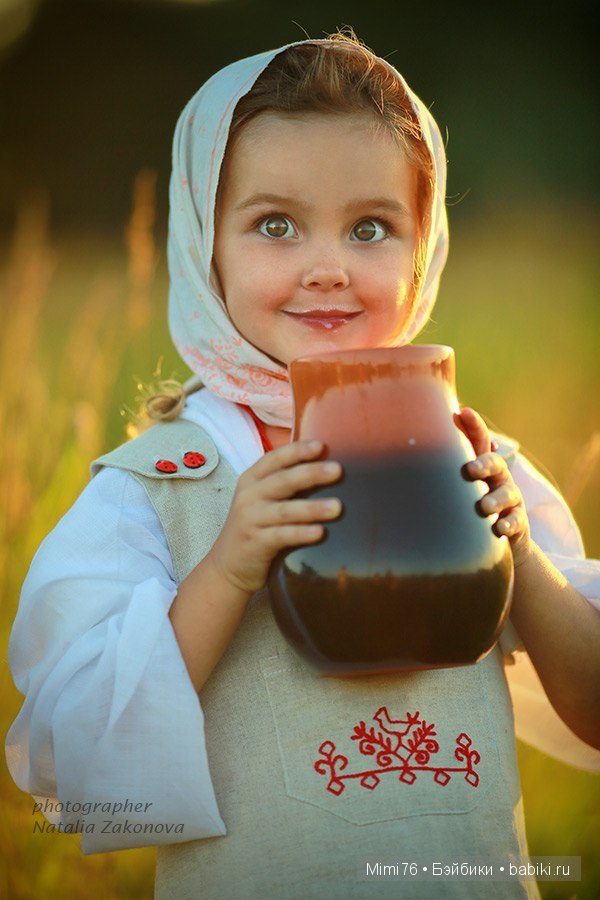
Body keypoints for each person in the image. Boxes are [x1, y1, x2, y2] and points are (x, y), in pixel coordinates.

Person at [6, 32, 600, 900]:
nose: (327, 268)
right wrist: (225, 569)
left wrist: (524, 559)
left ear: (424, 247)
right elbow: (84, 777)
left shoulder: (474, 461)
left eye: (370, 227)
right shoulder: (152, 492)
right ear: (204, 245)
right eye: (275, 225)